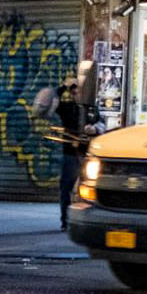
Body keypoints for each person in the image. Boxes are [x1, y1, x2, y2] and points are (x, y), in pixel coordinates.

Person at [43, 66, 98, 229]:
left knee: (88, 188)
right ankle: (65, 221)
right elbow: (50, 105)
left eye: (78, 92)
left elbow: (101, 124)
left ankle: (88, 220)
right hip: (71, 154)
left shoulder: (90, 109)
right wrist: (63, 87)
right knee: (66, 187)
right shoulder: (66, 108)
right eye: (73, 93)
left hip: (87, 155)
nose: (76, 95)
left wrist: (94, 128)